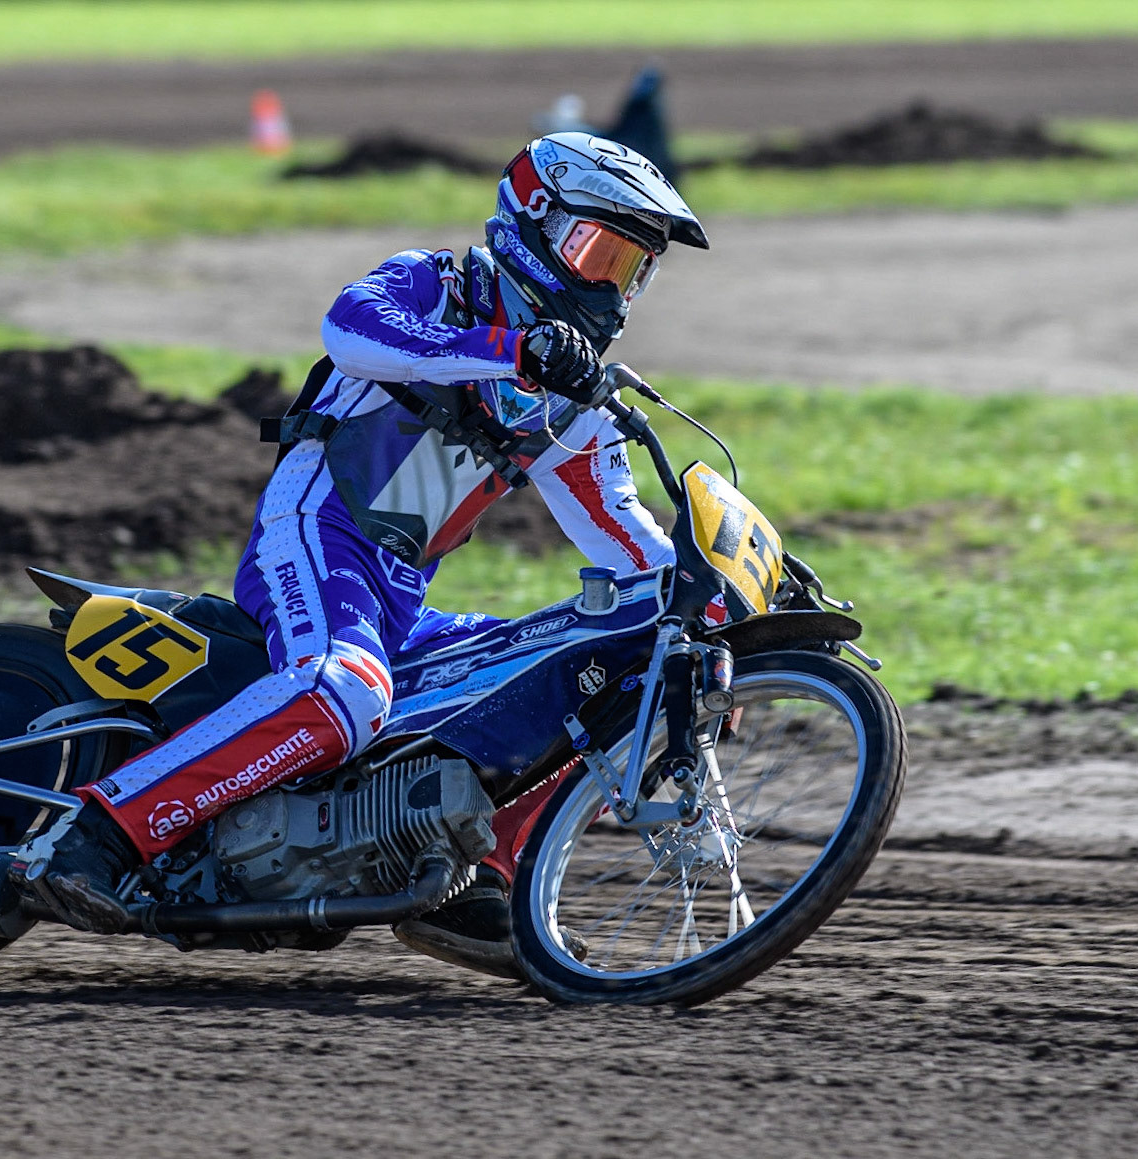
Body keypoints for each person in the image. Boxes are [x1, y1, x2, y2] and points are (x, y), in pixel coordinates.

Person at [41, 133, 710, 978]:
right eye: (598, 254)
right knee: (347, 689)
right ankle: (101, 831)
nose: (611, 290)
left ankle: (480, 873)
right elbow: (352, 330)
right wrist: (510, 351)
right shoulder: (435, 285)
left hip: (398, 602)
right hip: (314, 533)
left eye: (632, 270)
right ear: (532, 222)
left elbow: (634, 550)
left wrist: (722, 608)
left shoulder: (571, 408)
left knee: (603, 664)